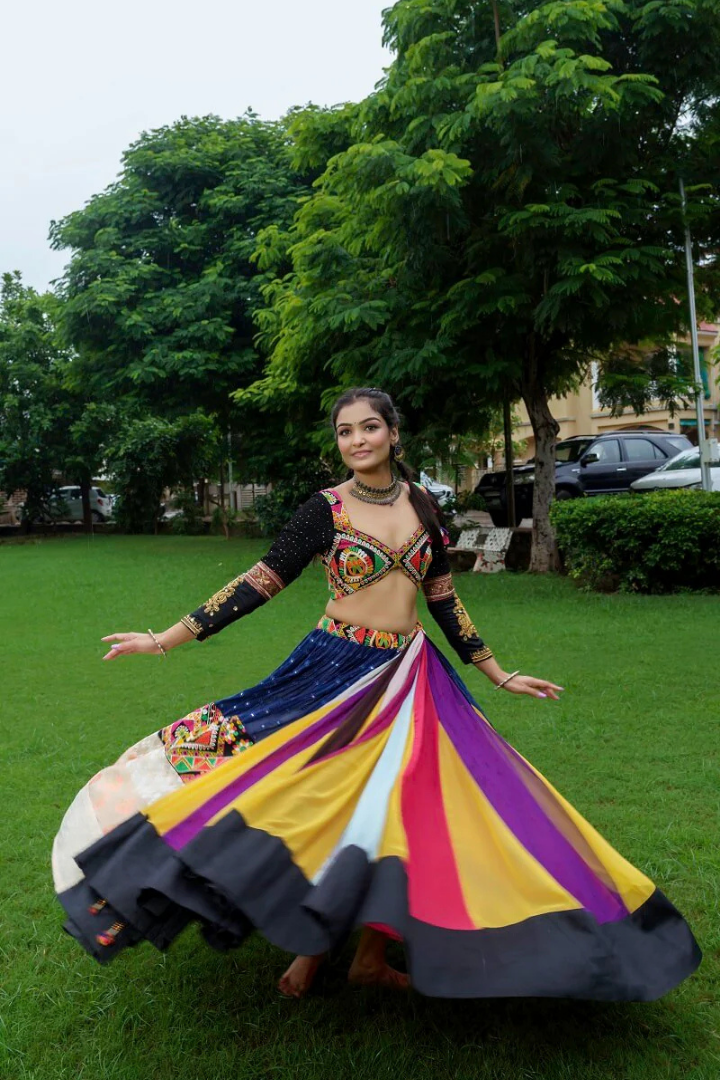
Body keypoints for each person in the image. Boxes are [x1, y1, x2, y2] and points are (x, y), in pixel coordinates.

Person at [54, 387, 701, 1001]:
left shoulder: (422, 504)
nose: (357, 439)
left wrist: (496, 671)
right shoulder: (326, 508)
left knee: (401, 810)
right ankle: (311, 941)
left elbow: (443, 597)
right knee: (310, 796)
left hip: (412, 676)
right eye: (345, 431)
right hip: (331, 670)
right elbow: (260, 581)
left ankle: (366, 958)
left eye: (369, 427)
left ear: (392, 433)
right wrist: (167, 638)